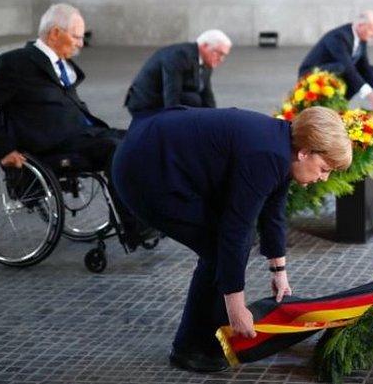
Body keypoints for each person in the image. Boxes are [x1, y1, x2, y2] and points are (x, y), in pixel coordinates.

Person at [111, 106, 352, 372]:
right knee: (218, 245)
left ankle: (206, 337)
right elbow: (235, 229)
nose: (323, 178)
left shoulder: (284, 143)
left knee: (223, 246)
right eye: (323, 168)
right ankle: (190, 348)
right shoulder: (267, 154)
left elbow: (273, 210)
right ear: (305, 152)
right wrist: (236, 309)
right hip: (144, 170)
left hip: (155, 150)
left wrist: (279, 271)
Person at [0, 3, 150, 249]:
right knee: (113, 148)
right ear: (55, 33)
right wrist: (2, 151)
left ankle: (150, 212)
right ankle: (135, 228)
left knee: (140, 138)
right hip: (52, 145)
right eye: (76, 36)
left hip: (82, 134)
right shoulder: (14, 64)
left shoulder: (61, 65)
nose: (80, 43)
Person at [124, 30, 231, 117]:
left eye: (224, 56)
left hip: (163, 99)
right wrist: (176, 126)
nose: (221, 59)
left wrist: (216, 120)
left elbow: (207, 95)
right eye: (219, 53)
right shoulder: (179, 56)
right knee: (192, 100)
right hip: (145, 105)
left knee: (196, 100)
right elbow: (171, 94)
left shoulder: (206, 61)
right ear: (205, 46)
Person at [297, 10, 373, 112]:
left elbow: (364, 66)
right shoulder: (339, 36)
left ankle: (340, 103)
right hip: (310, 74)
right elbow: (348, 68)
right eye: (372, 30)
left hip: (336, 70)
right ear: (361, 25)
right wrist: (372, 98)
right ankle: (326, 107)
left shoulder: (362, 38)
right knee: (343, 68)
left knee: (372, 70)